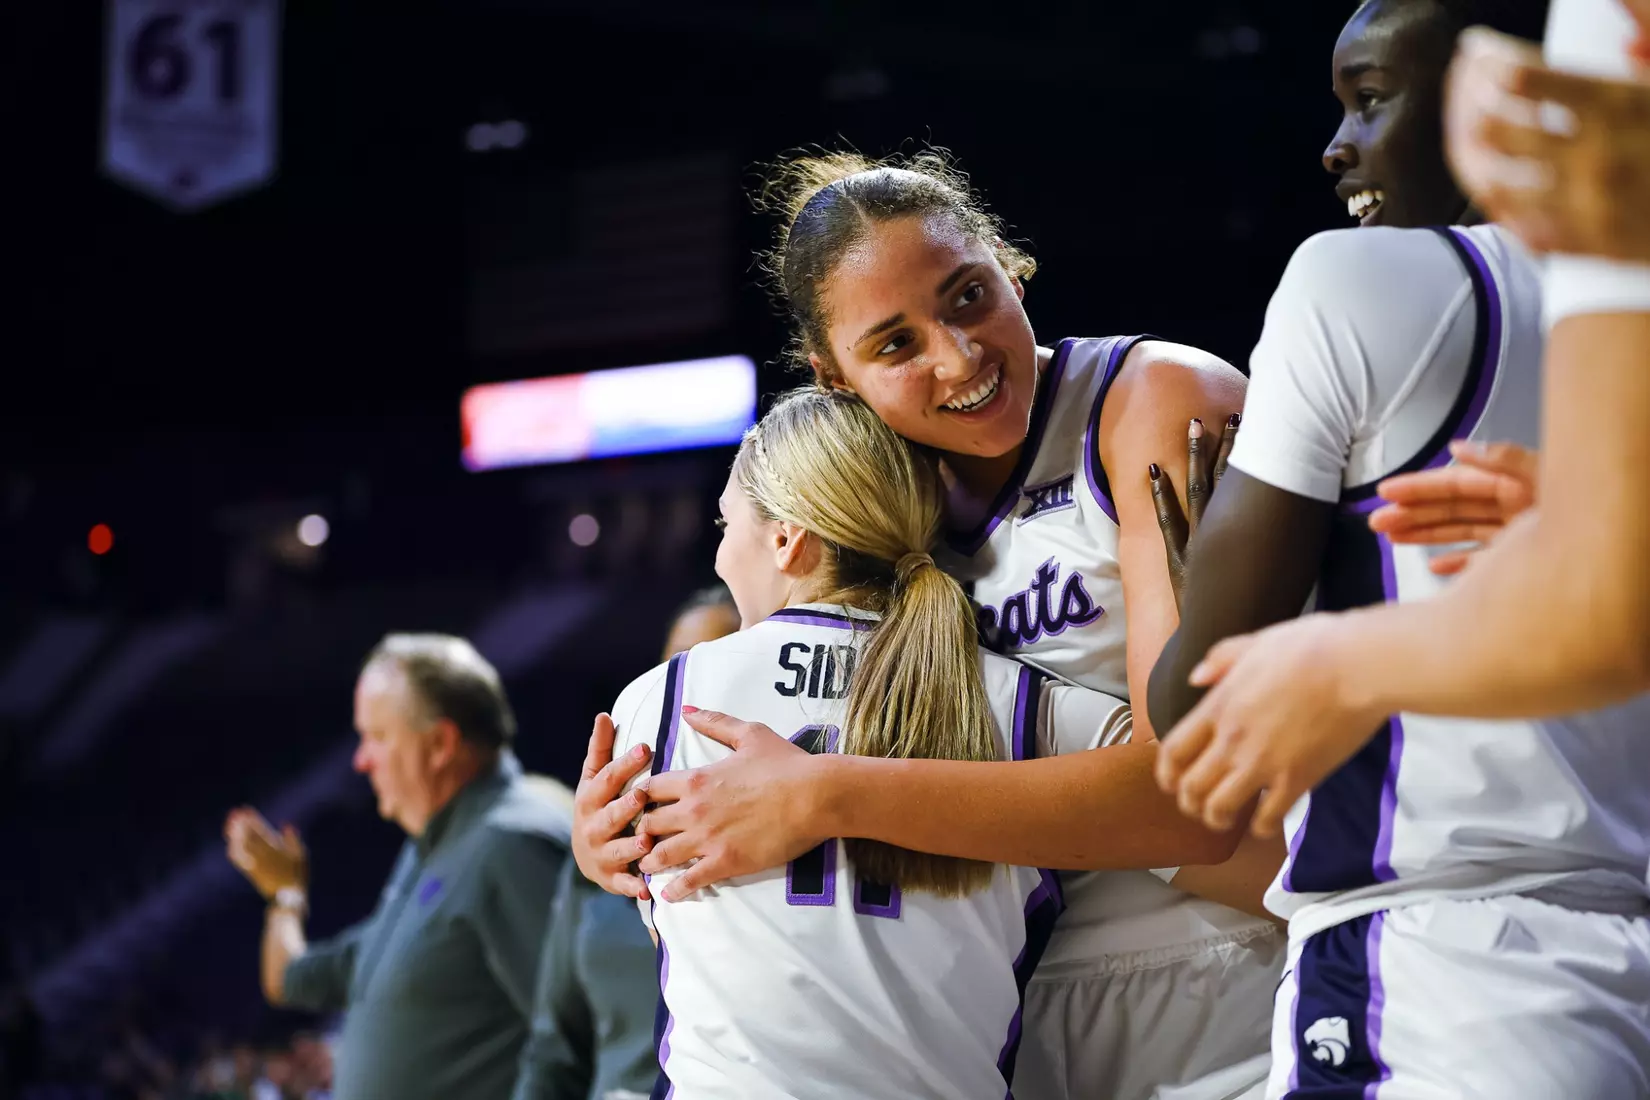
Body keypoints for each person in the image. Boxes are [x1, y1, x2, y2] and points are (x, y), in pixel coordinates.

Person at [575, 150, 1284, 1100]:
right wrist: (627, 832)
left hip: (1225, 979)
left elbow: (1203, 809)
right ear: (833, 377)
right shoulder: (883, 514)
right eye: (896, 345)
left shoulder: (1149, 399)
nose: (957, 357)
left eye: (967, 297)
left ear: (1007, 260)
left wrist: (830, 794)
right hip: (1002, 1015)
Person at [1143, 0, 1650, 1095]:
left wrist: (1273, 630)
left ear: (1505, 86)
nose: (1337, 145)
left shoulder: (1355, 278)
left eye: (1372, 100)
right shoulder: (1619, 295)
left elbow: (1196, 721)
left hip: (1440, 965)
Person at [606, 386, 1235, 1099]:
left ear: (785, 538)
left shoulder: (657, 701)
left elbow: (667, 925)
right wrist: (1216, 600)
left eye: (726, 525)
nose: (720, 556)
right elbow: (1209, 813)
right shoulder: (1021, 702)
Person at [224, 634, 569, 1100]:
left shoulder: (510, 841)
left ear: (441, 743)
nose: (361, 760)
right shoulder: (428, 852)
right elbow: (293, 980)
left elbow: (580, 1037)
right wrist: (285, 896)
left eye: (377, 737)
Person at [513, 591, 741, 1100]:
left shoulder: (777, 838)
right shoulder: (605, 834)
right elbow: (555, 1049)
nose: (690, 686)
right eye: (677, 664)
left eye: (717, 661)